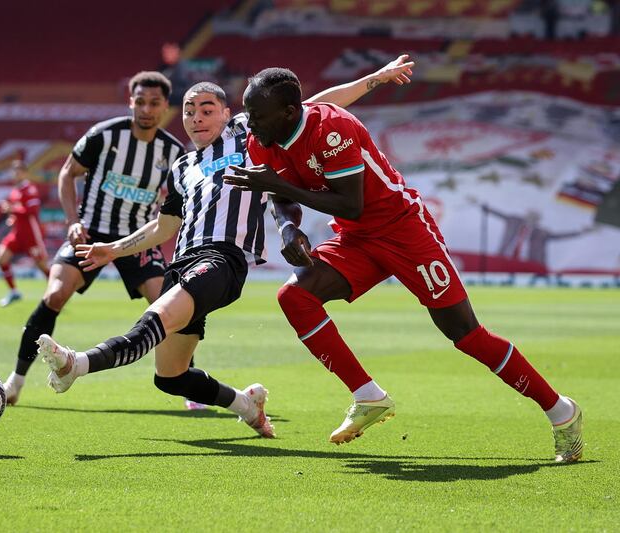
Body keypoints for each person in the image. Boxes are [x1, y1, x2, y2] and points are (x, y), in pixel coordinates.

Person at [35, 57, 416, 438]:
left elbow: (318, 102)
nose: (196, 118)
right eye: (189, 110)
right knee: (170, 377)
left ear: (228, 114)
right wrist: (113, 250)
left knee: (157, 318)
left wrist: (376, 78)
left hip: (222, 260)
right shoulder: (182, 167)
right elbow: (165, 227)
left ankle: (76, 364)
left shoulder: (247, 135)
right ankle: (246, 404)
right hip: (182, 265)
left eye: (206, 109)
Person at [221, 67, 583, 462]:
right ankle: (368, 396)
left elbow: (349, 202)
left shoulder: (332, 129)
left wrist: (280, 188)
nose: (249, 124)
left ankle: (562, 413)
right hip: (356, 238)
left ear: (290, 111)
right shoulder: (263, 137)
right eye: (249, 113)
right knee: (295, 296)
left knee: (464, 334)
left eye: (257, 115)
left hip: (404, 230)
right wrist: (288, 226)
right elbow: (278, 191)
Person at [2, 71, 186, 406]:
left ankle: (188, 383)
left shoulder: (173, 152)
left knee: (170, 309)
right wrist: (73, 221)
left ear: (164, 107)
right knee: (55, 295)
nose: (146, 108)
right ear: (131, 102)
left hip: (136, 240)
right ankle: (15, 380)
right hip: (92, 231)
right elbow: (67, 173)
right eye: (140, 101)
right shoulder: (104, 135)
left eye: (154, 103)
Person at [0, 156, 50, 307]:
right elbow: (18, 212)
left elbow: (33, 210)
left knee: (42, 266)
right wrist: (12, 217)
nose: (15, 174)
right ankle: (14, 292)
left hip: (31, 234)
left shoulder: (29, 189)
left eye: (18, 172)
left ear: (25, 173)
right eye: (13, 172)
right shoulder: (15, 191)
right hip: (17, 234)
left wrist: (12, 209)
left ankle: (58, 293)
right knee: (1, 257)